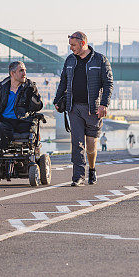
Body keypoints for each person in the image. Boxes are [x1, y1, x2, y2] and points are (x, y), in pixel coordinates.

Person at [53, 31, 113, 186]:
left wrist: (104, 104)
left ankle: (92, 168)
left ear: (83, 43)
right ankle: (78, 176)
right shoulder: (70, 60)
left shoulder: (100, 60)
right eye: (70, 45)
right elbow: (63, 82)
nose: (71, 48)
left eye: (73, 45)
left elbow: (108, 84)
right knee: (77, 143)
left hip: (93, 109)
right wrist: (57, 100)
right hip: (74, 107)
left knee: (91, 145)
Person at [0, 61, 43, 150]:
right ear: (12, 73)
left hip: (23, 121)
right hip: (6, 122)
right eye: (21, 71)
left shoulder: (29, 88)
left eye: (25, 70)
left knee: (28, 129)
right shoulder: (3, 88)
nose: (25, 73)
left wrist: (33, 95)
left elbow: (38, 106)